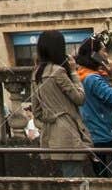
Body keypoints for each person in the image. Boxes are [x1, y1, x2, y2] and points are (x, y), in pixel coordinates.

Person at [29, 30, 89, 177]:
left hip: (50, 135)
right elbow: (80, 98)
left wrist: (51, 119)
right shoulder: (59, 72)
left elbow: (36, 111)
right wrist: (74, 73)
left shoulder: (36, 74)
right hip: (68, 132)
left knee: (65, 178)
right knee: (74, 178)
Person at [74, 39, 112, 177]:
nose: (106, 54)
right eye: (103, 50)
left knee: (101, 174)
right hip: (103, 132)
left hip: (94, 130)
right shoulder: (93, 79)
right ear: (94, 54)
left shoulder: (83, 75)